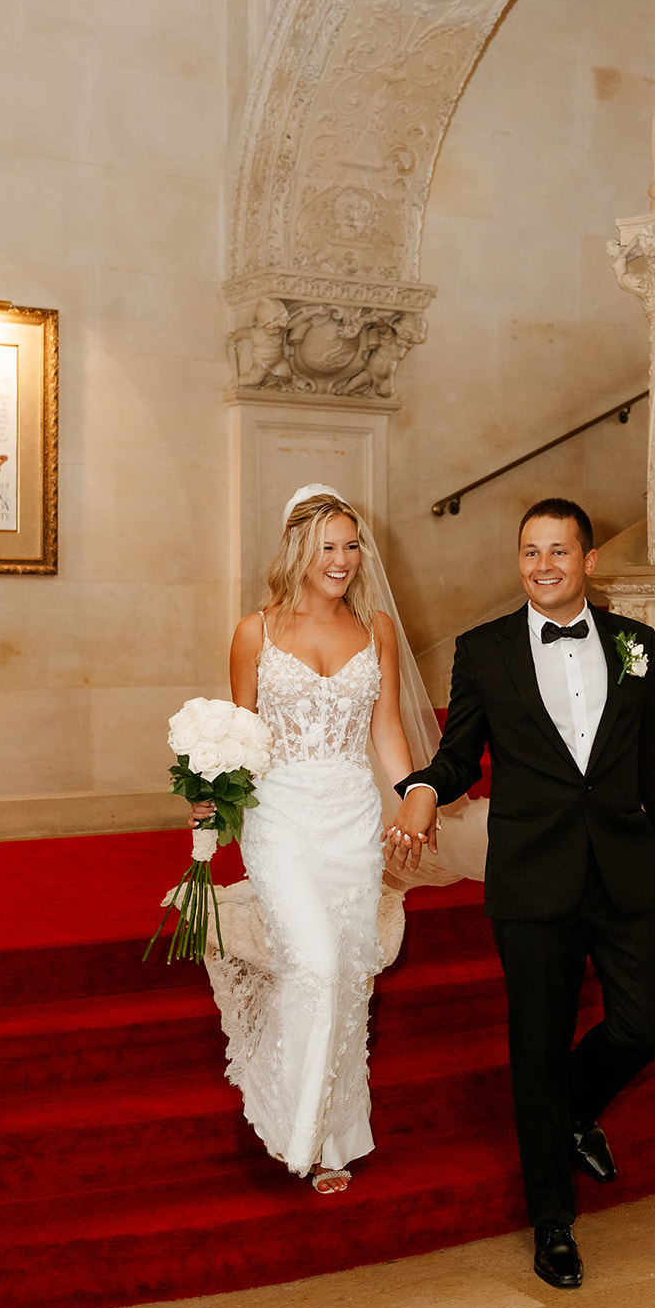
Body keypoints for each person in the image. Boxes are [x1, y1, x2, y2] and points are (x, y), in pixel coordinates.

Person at [385, 497, 655, 1287]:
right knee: (535, 1046)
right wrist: (423, 787)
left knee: (645, 1023)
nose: (543, 566)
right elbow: (458, 755)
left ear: (587, 562)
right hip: (532, 876)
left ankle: (568, 1114)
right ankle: (552, 1221)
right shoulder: (485, 650)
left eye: (558, 551)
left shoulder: (636, 646)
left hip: (625, 870)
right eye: (530, 552)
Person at [192, 487, 426, 1195]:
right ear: (298, 547)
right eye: (328, 545)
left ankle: (332, 1137)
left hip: (352, 818)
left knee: (348, 973)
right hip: (281, 818)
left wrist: (417, 789)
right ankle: (289, 1114)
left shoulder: (376, 627)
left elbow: (385, 728)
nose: (343, 560)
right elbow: (243, 733)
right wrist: (210, 795)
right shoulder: (254, 632)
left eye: (351, 545)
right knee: (317, 962)